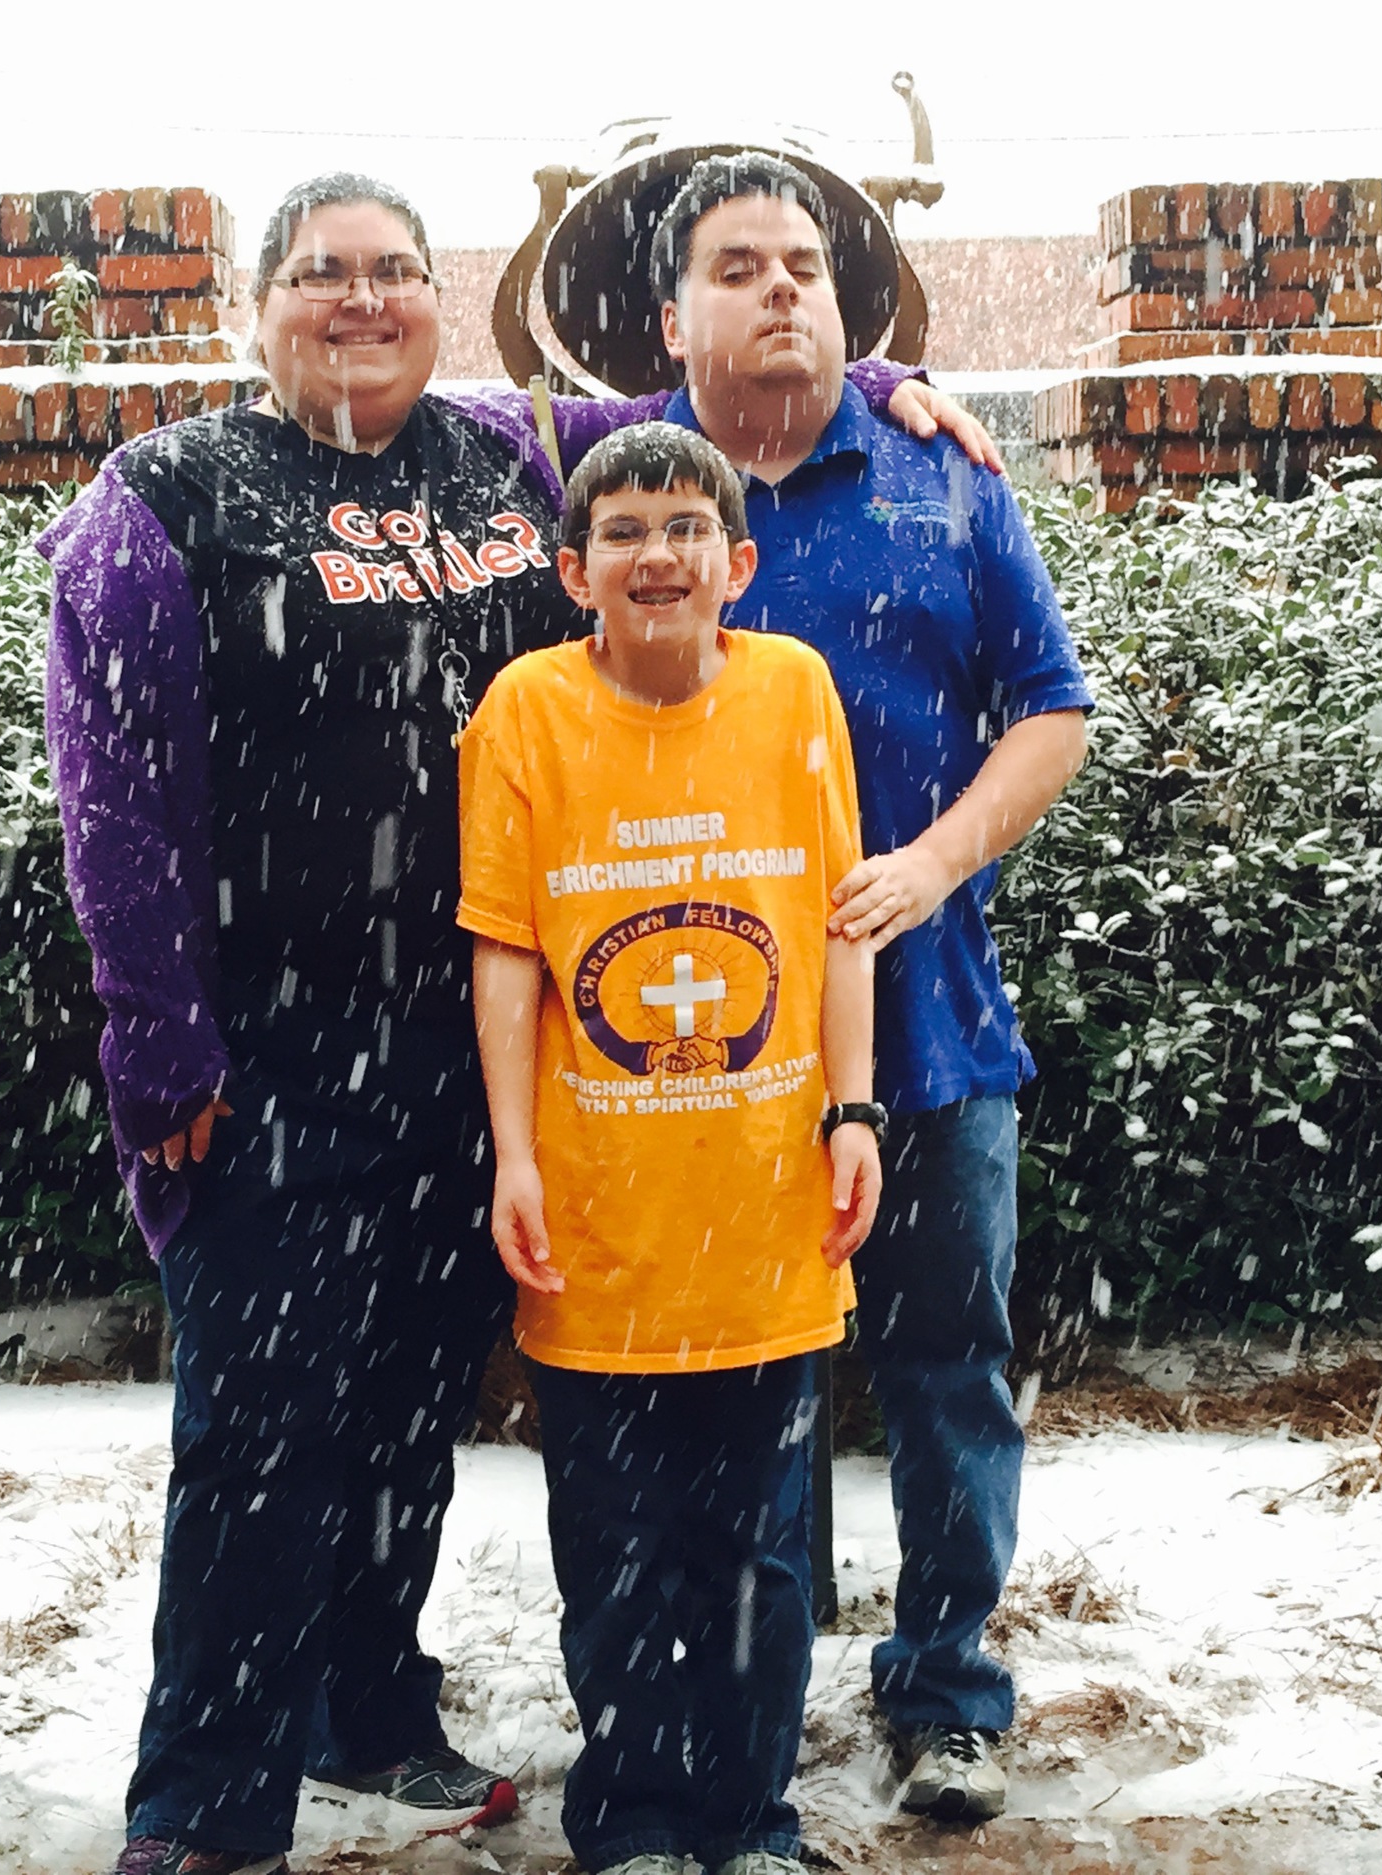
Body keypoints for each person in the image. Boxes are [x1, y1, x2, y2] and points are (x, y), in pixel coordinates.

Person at [42, 169, 1012, 1875]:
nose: (364, 302)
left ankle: (369, 1706)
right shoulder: (171, 496)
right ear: (255, 305)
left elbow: (697, 418)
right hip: (270, 1055)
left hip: (488, 1058)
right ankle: (204, 1811)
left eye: (397, 272)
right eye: (323, 275)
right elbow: (110, 795)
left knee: (412, 1411)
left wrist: (869, 387)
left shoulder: (505, 452)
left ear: (439, 298)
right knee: (262, 1439)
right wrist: (158, 1043)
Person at [625, 153, 1096, 1823]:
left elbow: (1052, 708)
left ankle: (949, 1691)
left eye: (805, 268)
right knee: (726, 1380)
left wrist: (942, 860)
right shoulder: (628, 488)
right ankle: (744, 1679)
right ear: (670, 314)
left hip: (932, 1030)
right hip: (702, 1055)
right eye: (737, 266)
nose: (779, 291)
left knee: (946, 1367)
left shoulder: (941, 482)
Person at [459, 422, 882, 1875]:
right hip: (597, 1216)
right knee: (619, 1549)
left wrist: (856, 1109)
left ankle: (753, 1819)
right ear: (573, 569)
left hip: (768, 1211)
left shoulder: (794, 694)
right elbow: (508, 954)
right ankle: (633, 1818)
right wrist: (514, 1155)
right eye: (625, 531)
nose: (658, 553)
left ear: (737, 564)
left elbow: (838, 921)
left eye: (687, 527)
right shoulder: (523, 712)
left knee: (763, 1547)